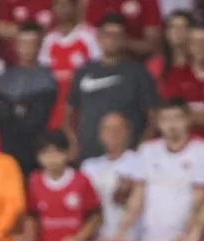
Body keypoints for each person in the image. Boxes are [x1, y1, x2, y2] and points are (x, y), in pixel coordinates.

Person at [113, 98, 204, 241]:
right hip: (149, 238)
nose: (172, 125)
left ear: (187, 120)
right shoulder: (147, 150)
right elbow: (137, 197)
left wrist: (189, 234)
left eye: (177, 118)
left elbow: (199, 199)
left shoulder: (203, 150)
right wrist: (120, 232)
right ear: (158, 123)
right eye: (166, 119)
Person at [66, 14, 158, 161]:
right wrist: (73, 143)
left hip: (128, 159)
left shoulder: (139, 72)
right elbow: (70, 114)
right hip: (88, 157)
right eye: (108, 34)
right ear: (99, 37)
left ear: (125, 38)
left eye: (117, 35)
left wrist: (142, 150)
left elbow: (153, 117)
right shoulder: (83, 71)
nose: (112, 39)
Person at [0, 22, 58, 176]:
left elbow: (39, 117)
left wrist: (14, 111)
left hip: (35, 150)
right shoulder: (4, 78)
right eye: (23, 43)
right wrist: (18, 111)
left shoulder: (48, 79)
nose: (27, 48)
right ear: (16, 45)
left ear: (39, 46)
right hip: (7, 147)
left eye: (32, 43)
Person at [23, 130, 102, 241]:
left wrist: (78, 238)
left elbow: (95, 216)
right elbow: (31, 215)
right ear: (38, 156)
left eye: (56, 152)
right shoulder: (34, 181)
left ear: (67, 153)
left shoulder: (81, 180)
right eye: (46, 153)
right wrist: (30, 239)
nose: (51, 158)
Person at [81, 112, 144, 241]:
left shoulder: (139, 161)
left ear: (128, 132)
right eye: (107, 129)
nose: (112, 133)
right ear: (100, 134)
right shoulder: (89, 167)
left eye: (118, 129)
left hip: (132, 240)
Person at [39, 0, 101, 129]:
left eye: (66, 5)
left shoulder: (90, 36)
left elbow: (99, 68)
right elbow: (43, 75)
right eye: (58, 5)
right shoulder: (48, 41)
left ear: (75, 7)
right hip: (56, 109)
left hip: (83, 107)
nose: (62, 9)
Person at [162, 21, 204, 149]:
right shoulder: (176, 75)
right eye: (195, 42)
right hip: (187, 151)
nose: (200, 47)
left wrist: (190, 114)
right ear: (188, 46)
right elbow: (171, 116)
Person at [85, 0, 163, 59]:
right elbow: (85, 36)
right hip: (98, 60)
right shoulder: (95, 2)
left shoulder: (146, 2)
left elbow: (152, 45)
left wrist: (121, 43)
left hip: (137, 62)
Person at [148, 10, 191, 83]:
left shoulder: (199, 65)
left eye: (183, 27)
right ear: (166, 33)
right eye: (173, 27)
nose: (178, 31)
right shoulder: (155, 66)